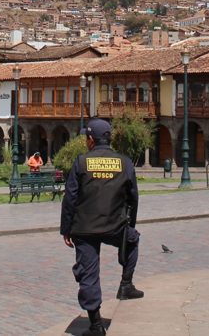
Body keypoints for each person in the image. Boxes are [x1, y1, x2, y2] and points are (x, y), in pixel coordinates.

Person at [60, 118, 143, 336]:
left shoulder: (81, 162)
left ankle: (96, 325)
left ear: (90, 140)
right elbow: (134, 198)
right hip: (115, 225)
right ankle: (126, 284)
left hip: (83, 228)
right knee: (133, 241)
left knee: (88, 274)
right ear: (109, 138)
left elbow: (70, 198)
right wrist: (129, 228)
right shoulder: (125, 163)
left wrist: (66, 229)